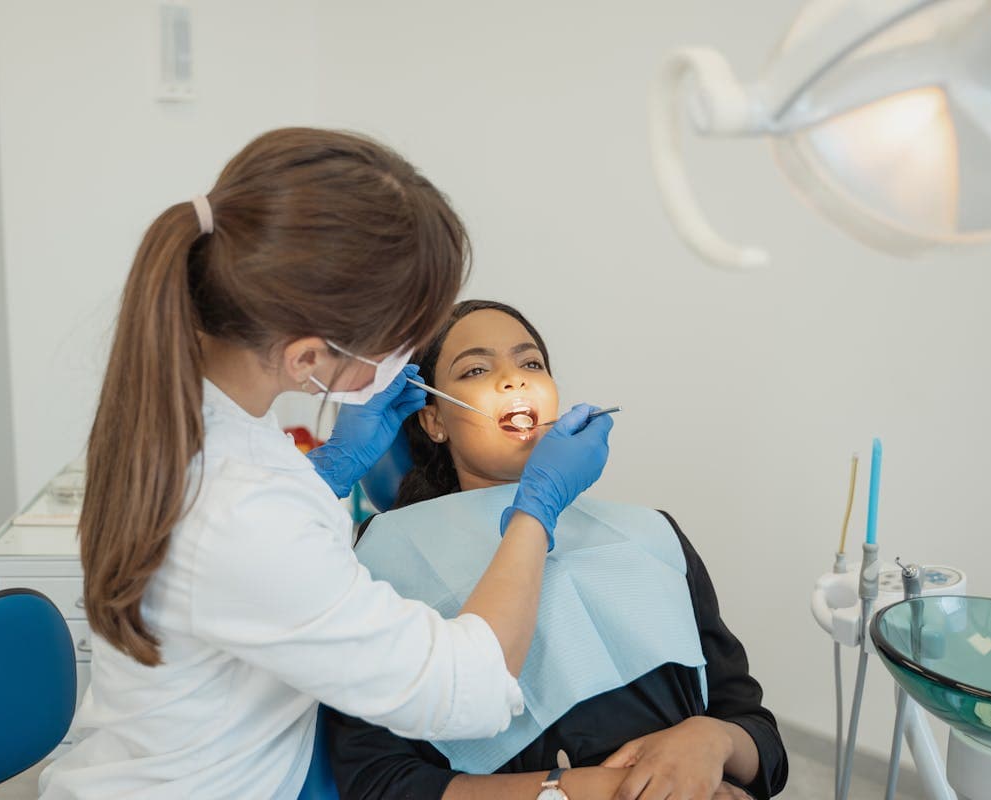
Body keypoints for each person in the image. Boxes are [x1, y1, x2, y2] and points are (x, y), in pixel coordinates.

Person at [38, 130, 614, 799]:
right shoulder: (243, 512)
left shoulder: (188, 410)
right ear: (309, 358)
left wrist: (332, 467)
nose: (511, 386)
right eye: (408, 340)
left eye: (529, 363)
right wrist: (536, 509)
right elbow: (466, 688)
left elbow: (242, 556)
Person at [327, 300, 788, 800]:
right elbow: (379, 783)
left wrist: (710, 740)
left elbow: (757, 733)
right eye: (477, 369)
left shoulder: (654, 535)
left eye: (531, 364)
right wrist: (580, 790)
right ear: (434, 421)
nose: (513, 381)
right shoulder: (385, 560)